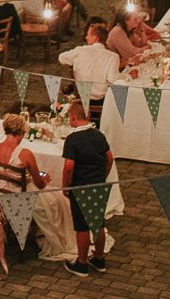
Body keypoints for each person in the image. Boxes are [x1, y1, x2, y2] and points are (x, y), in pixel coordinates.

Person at [60, 98, 113, 275]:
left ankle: (81, 263)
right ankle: (99, 259)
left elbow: (69, 167)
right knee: (98, 222)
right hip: (98, 183)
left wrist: (65, 186)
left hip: (80, 185)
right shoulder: (99, 135)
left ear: (73, 117)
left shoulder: (72, 139)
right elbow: (110, 157)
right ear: (88, 115)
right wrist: (102, 176)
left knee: (82, 226)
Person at [58, 19, 123, 104]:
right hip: (101, 100)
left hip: (82, 96)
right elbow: (113, 80)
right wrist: (127, 76)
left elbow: (61, 58)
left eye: (88, 35)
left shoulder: (80, 51)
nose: (86, 37)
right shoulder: (113, 57)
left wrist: (76, 62)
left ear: (95, 38)